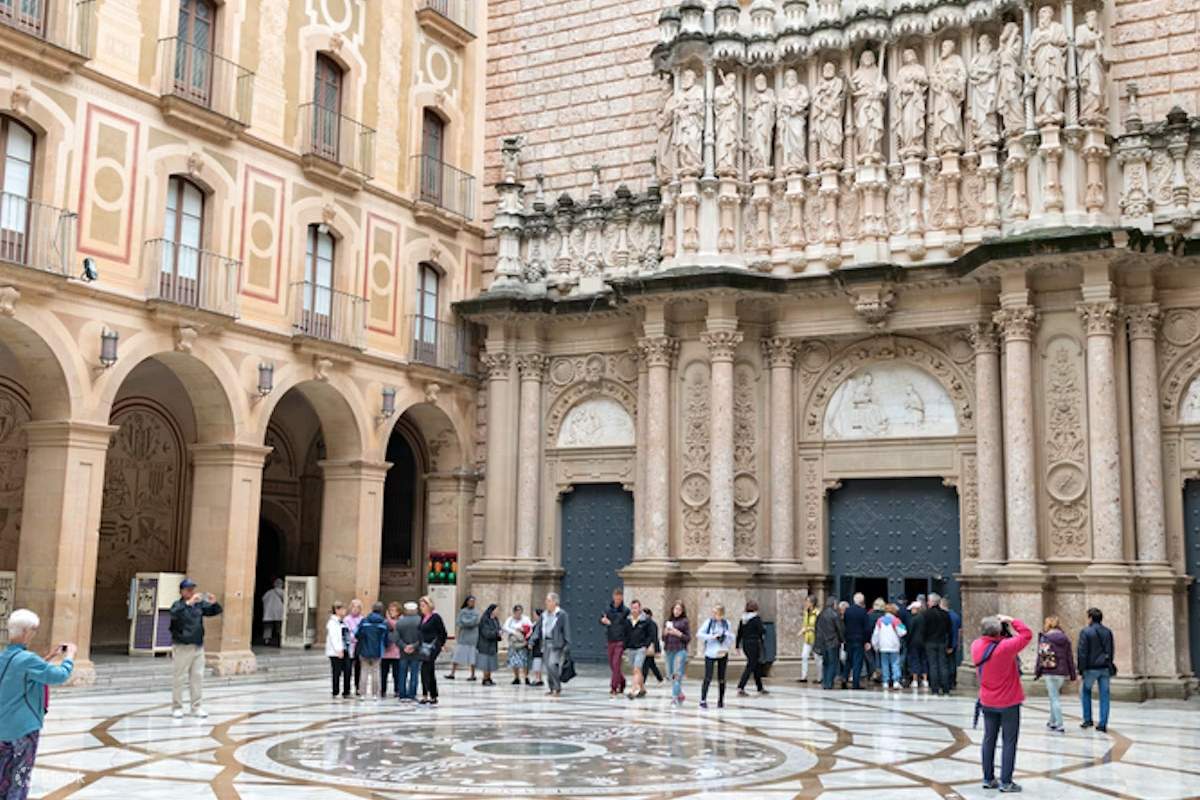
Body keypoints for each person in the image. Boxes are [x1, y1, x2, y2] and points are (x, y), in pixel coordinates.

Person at [0, 610, 75, 800]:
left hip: (3, 728)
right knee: (20, 777)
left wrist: (47, 658)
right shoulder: (27, 660)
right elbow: (60, 676)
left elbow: (19, 674)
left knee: (4, 777)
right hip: (23, 729)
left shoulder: (4, 657)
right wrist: (69, 657)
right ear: (27, 632)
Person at [972, 614, 1033, 793]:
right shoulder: (1006, 647)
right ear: (999, 631)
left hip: (987, 700)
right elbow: (1027, 634)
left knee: (988, 739)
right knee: (1009, 741)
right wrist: (1012, 620)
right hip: (1008, 702)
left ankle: (988, 778)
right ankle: (1006, 782)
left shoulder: (976, 645)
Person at [168, 578, 222, 719]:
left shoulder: (199, 606)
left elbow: (215, 611)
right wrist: (188, 604)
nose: (191, 591)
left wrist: (214, 602)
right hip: (182, 646)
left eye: (192, 589)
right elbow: (174, 614)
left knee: (197, 677)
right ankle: (177, 707)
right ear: (182, 591)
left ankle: (196, 707)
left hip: (198, 645)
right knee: (179, 677)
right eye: (188, 589)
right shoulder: (178, 605)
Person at [1034, 616, 1076, 733]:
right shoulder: (1065, 638)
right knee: (1054, 696)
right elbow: (1069, 657)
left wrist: (1037, 672)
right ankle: (1052, 721)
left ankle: (1060, 723)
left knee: (1054, 698)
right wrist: (1073, 674)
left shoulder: (1045, 638)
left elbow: (1042, 657)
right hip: (1062, 672)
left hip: (1050, 671)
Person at [1077, 607, 1115, 733]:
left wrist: (1081, 669)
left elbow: (1082, 652)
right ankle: (1103, 723)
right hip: (1105, 667)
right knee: (1105, 695)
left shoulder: (1086, 632)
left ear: (1091, 618)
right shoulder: (1108, 632)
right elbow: (1110, 650)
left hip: (1091, 668)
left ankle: (1088, 719)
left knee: (1085, 691)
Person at [697, 604, 735, 709]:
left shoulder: (726, 623)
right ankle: (703, 699)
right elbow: (699, 634)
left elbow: (732, 636)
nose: (714, 615)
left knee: (722, 677)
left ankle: (721, 700)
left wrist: (726, 635)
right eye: (713, 612)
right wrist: (712, 637)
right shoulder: (709, 623)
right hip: (710, 652)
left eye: (717, 613)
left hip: (722, 652)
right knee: (708, 676)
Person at [538, 592, 570, 697]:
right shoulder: (544, 615)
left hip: (556, 643)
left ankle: (557, 687)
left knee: (552, 664)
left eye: (549, 601)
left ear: (555, 602)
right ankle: (552, 688)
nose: (546, 603)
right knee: (547, 666)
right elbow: (538, 628)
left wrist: (567, 644)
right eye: (546, 601)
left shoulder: (562, 614)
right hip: (545, 642)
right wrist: (532, 640)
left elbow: (566, 630)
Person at [417, 596, 448, 705]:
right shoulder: (422, 618)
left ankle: (429, 695)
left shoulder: (436, 617)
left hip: (433, 647)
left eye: (423, 605)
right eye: (420, 606)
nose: (421, 608)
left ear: (429, 605)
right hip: (424, 647)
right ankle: (429, 695)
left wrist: (440, 644)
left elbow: (443, 632)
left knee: (426, 669)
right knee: (427, 670)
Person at [600, 588, 630, 697]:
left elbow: (625, 625)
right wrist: (603, 621)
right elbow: (602, 619)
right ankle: (622, 681)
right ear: (613, 597)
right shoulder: (608, 609)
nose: (617, 599)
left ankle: (613, 687)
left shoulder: (625, 611)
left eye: (619, 597)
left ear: (622, 598)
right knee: (612, 665)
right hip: (610, 639)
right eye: (616, 596)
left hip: (620, 640)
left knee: (617, 663)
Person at [355, 602, 388, 701]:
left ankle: (362, 694)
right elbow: (386, 638)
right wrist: (385, 646)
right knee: (376, 672)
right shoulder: (383, 623)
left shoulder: (364, 621)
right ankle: (375, 694)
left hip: (364, 650)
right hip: (377, 651)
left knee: (364, 672)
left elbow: (357, 634)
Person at [871, 603, 907, 690]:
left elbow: (876, 634)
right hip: (894, 646)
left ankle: (885, 682)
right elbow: (903, 632)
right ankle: (896, 681)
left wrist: (875, 645)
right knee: (895, 663)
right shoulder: (896, 620)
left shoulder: (880, 621)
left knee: (884, 664)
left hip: (883, 646)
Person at [736, 600, 768, 696]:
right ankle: (741, 686)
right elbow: (761, 630)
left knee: (756, 665)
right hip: (754, 643)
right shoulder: (756, 618)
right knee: (751, 665)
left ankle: (760, 687)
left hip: (746, 644)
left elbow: (739, 633)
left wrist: (737, 645)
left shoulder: (743, 619)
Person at [923, 592, 952, 696]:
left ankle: (935, 689)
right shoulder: (945, 614)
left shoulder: (926, 614)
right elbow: (950, 630)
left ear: (931, 602)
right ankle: (946, 689)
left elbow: (923, 630)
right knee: (943, 665)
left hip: (930, 642)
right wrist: (949, 645)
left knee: (933, 666)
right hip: (942, 642)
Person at [663, 602, 691, 706]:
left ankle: (674, 697)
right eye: (675, 609)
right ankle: (680, 694)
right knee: (670, 674)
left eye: (679, 609)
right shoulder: (668, 621)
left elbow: (688, 638)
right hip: (669, 649)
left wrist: (678, 633)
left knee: (677, 674)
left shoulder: (684, 622)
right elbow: (663, 638)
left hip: (680, 650)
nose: (677, 611)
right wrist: (665, 633)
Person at [624, 600, 654, 699]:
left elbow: (650, 635)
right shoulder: (627, 620)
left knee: (637, 668)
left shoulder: (645, 620)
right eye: (632, 608)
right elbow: (625, 634)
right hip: (631, 648)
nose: (634, 610)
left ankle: (633, 690)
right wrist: (625, 646)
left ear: (640, 608)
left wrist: (646, 645)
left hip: (641, 648)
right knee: (637, 670)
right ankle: (642, 689)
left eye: (636, 608)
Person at [843, 593, 872, 690]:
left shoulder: (847, 611)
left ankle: (844, 678)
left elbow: (845, 625)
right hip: (859, 640)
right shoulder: (863, 612)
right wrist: (867, 640)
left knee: (848, 661)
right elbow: (867, 628)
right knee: (857, 662)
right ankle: (855, 684)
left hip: (849, 639)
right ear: (862, 601)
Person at [448, 596, 480, 681]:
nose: (472, 603)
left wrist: (465, 622)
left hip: (472, 638)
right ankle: (452, 673)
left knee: (472, 657)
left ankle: (473, 675)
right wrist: (467, 622)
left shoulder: (476, 612)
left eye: (473, 601)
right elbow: (458, 622)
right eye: (470, 601)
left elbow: (475, 622)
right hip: (463, 637)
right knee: (457, 655)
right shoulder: (462, 611)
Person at [395, 601, 422, 702]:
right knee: (414, 673)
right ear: (416, 610)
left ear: (406, 610)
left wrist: (404, 646)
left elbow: (396, 637)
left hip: (403, 652)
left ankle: (402, 693)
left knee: (402, 673)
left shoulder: (400, 622)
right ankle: (412, 694)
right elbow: (423, 637)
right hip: (416, 652)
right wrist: (414, 646)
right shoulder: (421, 621)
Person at [324, 602, 352, 699]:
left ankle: (346, 691)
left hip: (345, 649)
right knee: (336, 671)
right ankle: (335, 690)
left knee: (348, 670)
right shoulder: (332, 622)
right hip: (337, 651)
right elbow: (334, 637)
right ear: (337, 610)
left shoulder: (342, 621)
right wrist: (338, 650)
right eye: (342, 609)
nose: (345, 611)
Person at [815, 596, 843, 690]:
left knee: (825, 663)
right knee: (832, 663)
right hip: (833, 642)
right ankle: (829, 683)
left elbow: (817, 629)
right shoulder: (835, 615)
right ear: (833, 604)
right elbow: (839, 629)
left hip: (823, 642)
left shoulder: (821, 614)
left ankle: (825, 682)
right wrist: (842, 639)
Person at [503, 604, 533, 685]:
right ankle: (516, 677)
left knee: (524, 661)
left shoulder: (526, 619)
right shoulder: (510, 619)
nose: (518, 614)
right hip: (513, 643)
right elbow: (505, 627)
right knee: (514, 661)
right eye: (517, 612)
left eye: (520, 612)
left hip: (523, 643)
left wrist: (524, 633)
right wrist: (514, 631)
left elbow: (531, 628)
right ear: (514, 612)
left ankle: (526, 677)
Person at [476, 603, 502, 686]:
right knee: (486, 663)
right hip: (485, 645)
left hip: (493, 645)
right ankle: (485, 678)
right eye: (496, 610)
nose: (498, 612)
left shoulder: (495, 619)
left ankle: (489, 678)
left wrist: (499, 634)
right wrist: (496, 633)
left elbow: (498, 628)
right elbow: (486, 633)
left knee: (491, 662)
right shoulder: (485, 620)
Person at [381, 602, 402, 698]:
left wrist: (388, 619)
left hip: (396, 652)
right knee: (383, 673)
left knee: (396, 673)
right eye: (390, 610)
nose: (392, 612)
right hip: (386, 652)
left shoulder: (401, 621)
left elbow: (396, 626)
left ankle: (397, 689)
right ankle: (383, 689)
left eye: (394, 610)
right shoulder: (385, 621)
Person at [345, 598, 365, 696]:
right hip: (349, 647)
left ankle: (358, 687)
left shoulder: (362, 619)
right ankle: (347, 688)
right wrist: (353, 637)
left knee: (359, 668)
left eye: (358, 607)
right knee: (348, 669)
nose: (355, 609)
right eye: (354, 607)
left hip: (359, 647)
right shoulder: (347, 619)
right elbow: (347, 632)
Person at [797, 595, 819, 684]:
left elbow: (818, 627)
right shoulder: (806, 612)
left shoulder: (817, 613)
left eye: (808, 601)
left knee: (817, 658)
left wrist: (809, 628)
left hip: (815, 638)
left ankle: (819, 677)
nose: (806, 603)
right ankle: (804, 676)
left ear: (812, 603)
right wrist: (803, 630)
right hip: (807, 638)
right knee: (804, 656)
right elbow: (805, 624)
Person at [907, 601, 928, 690]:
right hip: (924, 642)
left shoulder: (914, 619)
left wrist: (907, 641)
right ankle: (925, 680)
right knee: (924, 660)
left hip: (914, 643)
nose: (911, 611)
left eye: (912, 609)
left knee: (915, 660)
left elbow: (910, 631)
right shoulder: (925, 618)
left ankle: (915, 680)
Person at [943, 597, 963, 690]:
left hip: (947, 642)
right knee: (953, 662)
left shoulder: (944, 616)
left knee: (946, 663)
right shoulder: (956, 616)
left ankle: (947, 681)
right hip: (954, 642)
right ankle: (953, 680)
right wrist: (959, 642)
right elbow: (960, 631)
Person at [866, 598, 886, 683]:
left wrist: (867, 640)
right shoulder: (885, 616)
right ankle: (882, 674)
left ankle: (874, 672)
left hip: (871, 639)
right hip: (884, 639)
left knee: (871, 657)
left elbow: (867, 629)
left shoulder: (869, 616)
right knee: (882, 658)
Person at [642, 608, 664, 684]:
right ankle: (660, 678)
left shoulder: (651, 624)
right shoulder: (643, 623)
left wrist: (657, 650)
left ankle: (642, 681)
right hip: (646, 646)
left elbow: (654, 637)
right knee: (651, 664)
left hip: (649, 647)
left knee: (646, 664)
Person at [261, 578, 285, 647]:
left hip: (268, 613)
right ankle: (280, 639)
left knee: (268, 627)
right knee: (279, 627)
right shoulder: (282, 592)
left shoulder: (268, 592)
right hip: (279, 613)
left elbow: (263, 599)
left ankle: (266, 640)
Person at [528, 608, 545, 687]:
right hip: (541, 646)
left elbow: (536, 635)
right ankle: (539, 678)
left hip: (538, 646)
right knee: (538, 662)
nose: (534, 616)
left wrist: (531, 642)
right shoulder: (540, 623)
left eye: (535, 614)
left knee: (537, 662)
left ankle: (537, 679)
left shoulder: (539, 623)